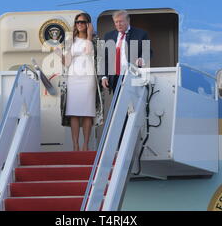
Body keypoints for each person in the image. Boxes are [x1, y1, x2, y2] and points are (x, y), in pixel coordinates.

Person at [56, 13, 96, 151]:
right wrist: (58, 53)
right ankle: (75, 145)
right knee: (74, 112)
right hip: (74, 77)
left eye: (83, 22)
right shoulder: (70, 41)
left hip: (88, 77)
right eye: (77, 22)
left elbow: (88, 51)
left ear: (88, 24)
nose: (79, 24)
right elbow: (67, 62)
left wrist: (90, 35)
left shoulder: (94, 40)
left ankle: (85, 145)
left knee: (87, 112)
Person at [101, 10, 151, 92]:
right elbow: (104, 58)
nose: (118, 24)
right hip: (116, 77)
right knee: (118, 103)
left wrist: (142, 59)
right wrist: (104, 76)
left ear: (128, 20)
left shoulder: (141, 34)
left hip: (133, 74)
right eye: (116, 22)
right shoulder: (108, 36)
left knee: (133, 103)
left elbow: (148, 51)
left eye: (121, 21)